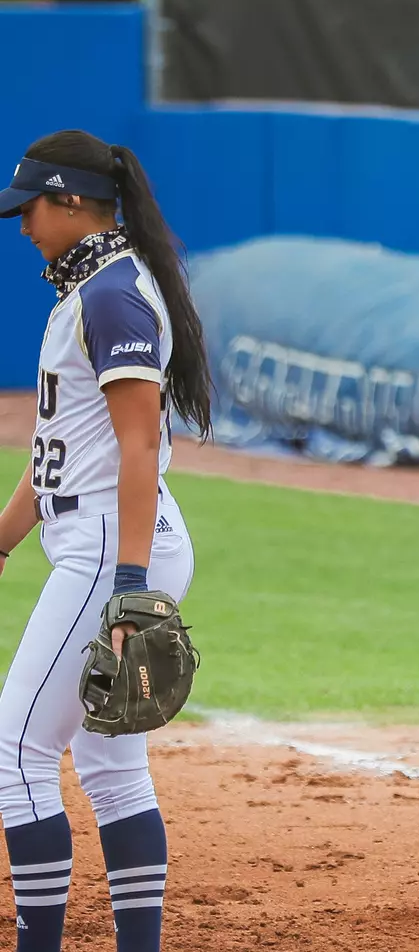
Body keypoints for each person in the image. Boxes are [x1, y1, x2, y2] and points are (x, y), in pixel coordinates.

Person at [0, 130, 213, 952]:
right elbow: (59, 454)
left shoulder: (114, 295)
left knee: (17, 748)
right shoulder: (94, 287)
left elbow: (135, 443)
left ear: (72, 203)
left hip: (111, 547)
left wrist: (128, 584)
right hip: (103, 534)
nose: (23, 228)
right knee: (109, 765)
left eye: (31, 211)